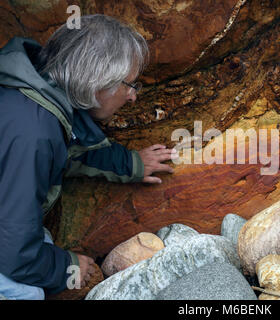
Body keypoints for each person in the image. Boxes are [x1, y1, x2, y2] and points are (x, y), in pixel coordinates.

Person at [0, 14, 176, 299]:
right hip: (10, 244)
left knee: (41, 240)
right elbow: (15, 250)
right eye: (128, 85)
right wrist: (66, 268)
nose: (132, 97)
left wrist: (130, 164)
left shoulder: (35, 88)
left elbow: (74, 143)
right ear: (97, 82)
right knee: (27, 293)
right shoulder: (32, 134)